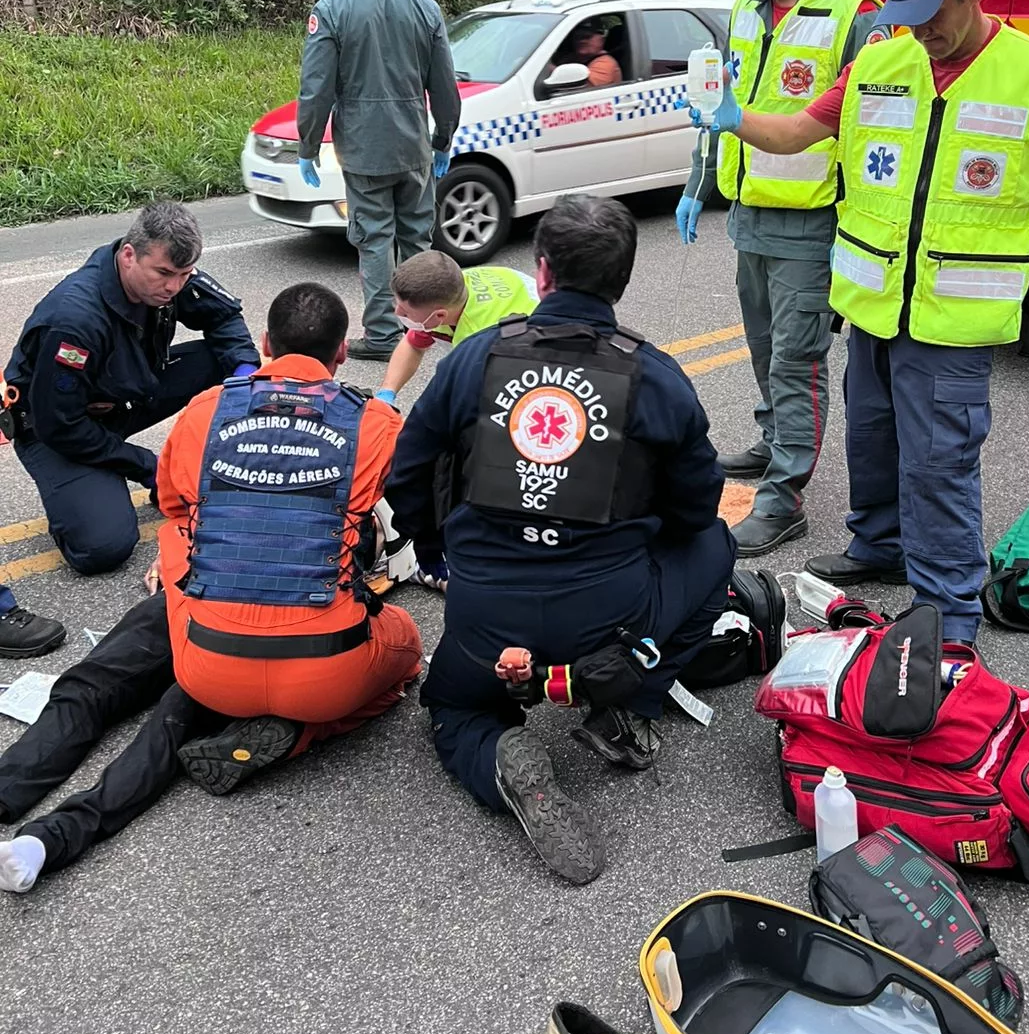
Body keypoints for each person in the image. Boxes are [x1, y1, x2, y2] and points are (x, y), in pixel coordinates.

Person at [692, 0, 1029, 644]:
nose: (921, 31)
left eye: (936, 12)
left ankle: (948, 608)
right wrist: (735, 120)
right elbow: (802, 131)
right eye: (908, 14)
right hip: (873, 305)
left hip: (953, 320)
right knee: (871, 440)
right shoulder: (883, 57)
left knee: (940, 465)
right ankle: (879, 546)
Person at [0, 283, 423, 893]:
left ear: (265, 345)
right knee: (400, 651)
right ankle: (299, 732)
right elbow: (408, 514)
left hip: (203, 630)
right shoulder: (373, 421)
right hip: (318, 670)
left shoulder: (206, 411)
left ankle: (18, 800)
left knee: (101, 683)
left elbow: (174, 508)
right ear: (339, 358)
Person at [384, 195, 735, 884]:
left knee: (454, 705)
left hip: (485, 611)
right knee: (718, 547)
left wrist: (435, 556)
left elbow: (409, 474)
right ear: (623, 280)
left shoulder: (474, 358)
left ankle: (499, 763)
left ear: (541, 273)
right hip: (609, 615)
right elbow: (697, 509)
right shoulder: (655, 375)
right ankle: (628, 701)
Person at [677, 0, 888, 558]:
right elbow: (723, 106)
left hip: (812, 220)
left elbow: (868, 132)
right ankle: (775, 440)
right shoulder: (745, 9)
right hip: (750, 213)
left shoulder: (856, 16)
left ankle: (784, 498)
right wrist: (696, 184)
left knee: (799, 362)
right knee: (765, 352)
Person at [2, 202, 259, 595]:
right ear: (128, 255)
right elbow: (60, 424)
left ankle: (219, 466)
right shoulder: (76, 320)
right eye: (164, 274)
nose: (174, 286)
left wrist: (244, 376)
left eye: (184, 274)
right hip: (53, 426)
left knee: (224, 362)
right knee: (102, 548)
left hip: (123, 392)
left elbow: (224, 316)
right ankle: (77, 502)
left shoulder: (167, 273)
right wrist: (146, 466)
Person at [297, 0, 462, 361]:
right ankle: (425, 325)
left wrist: (309, 146)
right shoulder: (425, 7)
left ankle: (384, 334)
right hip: (413, 145)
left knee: (373, 238)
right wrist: (443, 138)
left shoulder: (330, 9)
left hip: (364, 149)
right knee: (416, 237)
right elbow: (445, 88)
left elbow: (316, 90)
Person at [375, 251, 538, 405]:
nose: (397, 312)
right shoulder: (447, 289)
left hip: (530, 360)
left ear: (440, 316)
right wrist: (386, 392)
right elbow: (413, 345)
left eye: (406, 312)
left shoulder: (480, 338)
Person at [553, 21, 622, 87]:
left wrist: (550, 69)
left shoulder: (605, 63)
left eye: (587, 37)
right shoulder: (572, 57)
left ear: (602, 40)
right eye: (578, 37)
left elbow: (580, 88)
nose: (582, 41)